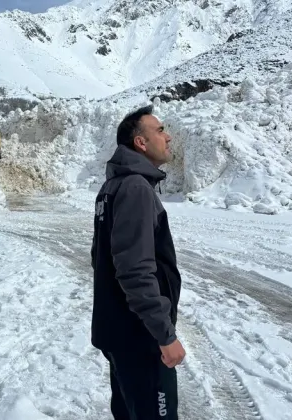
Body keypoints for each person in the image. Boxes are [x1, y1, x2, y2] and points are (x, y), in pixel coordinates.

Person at [90, 104, 185, 419]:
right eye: (159, 130)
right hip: (140, 336)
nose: (168, 137)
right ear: (140, 143)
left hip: (117, 331)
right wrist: (164, 335)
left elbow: (100, 259)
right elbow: (134, 270)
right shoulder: (135, 187)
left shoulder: (111, 187)